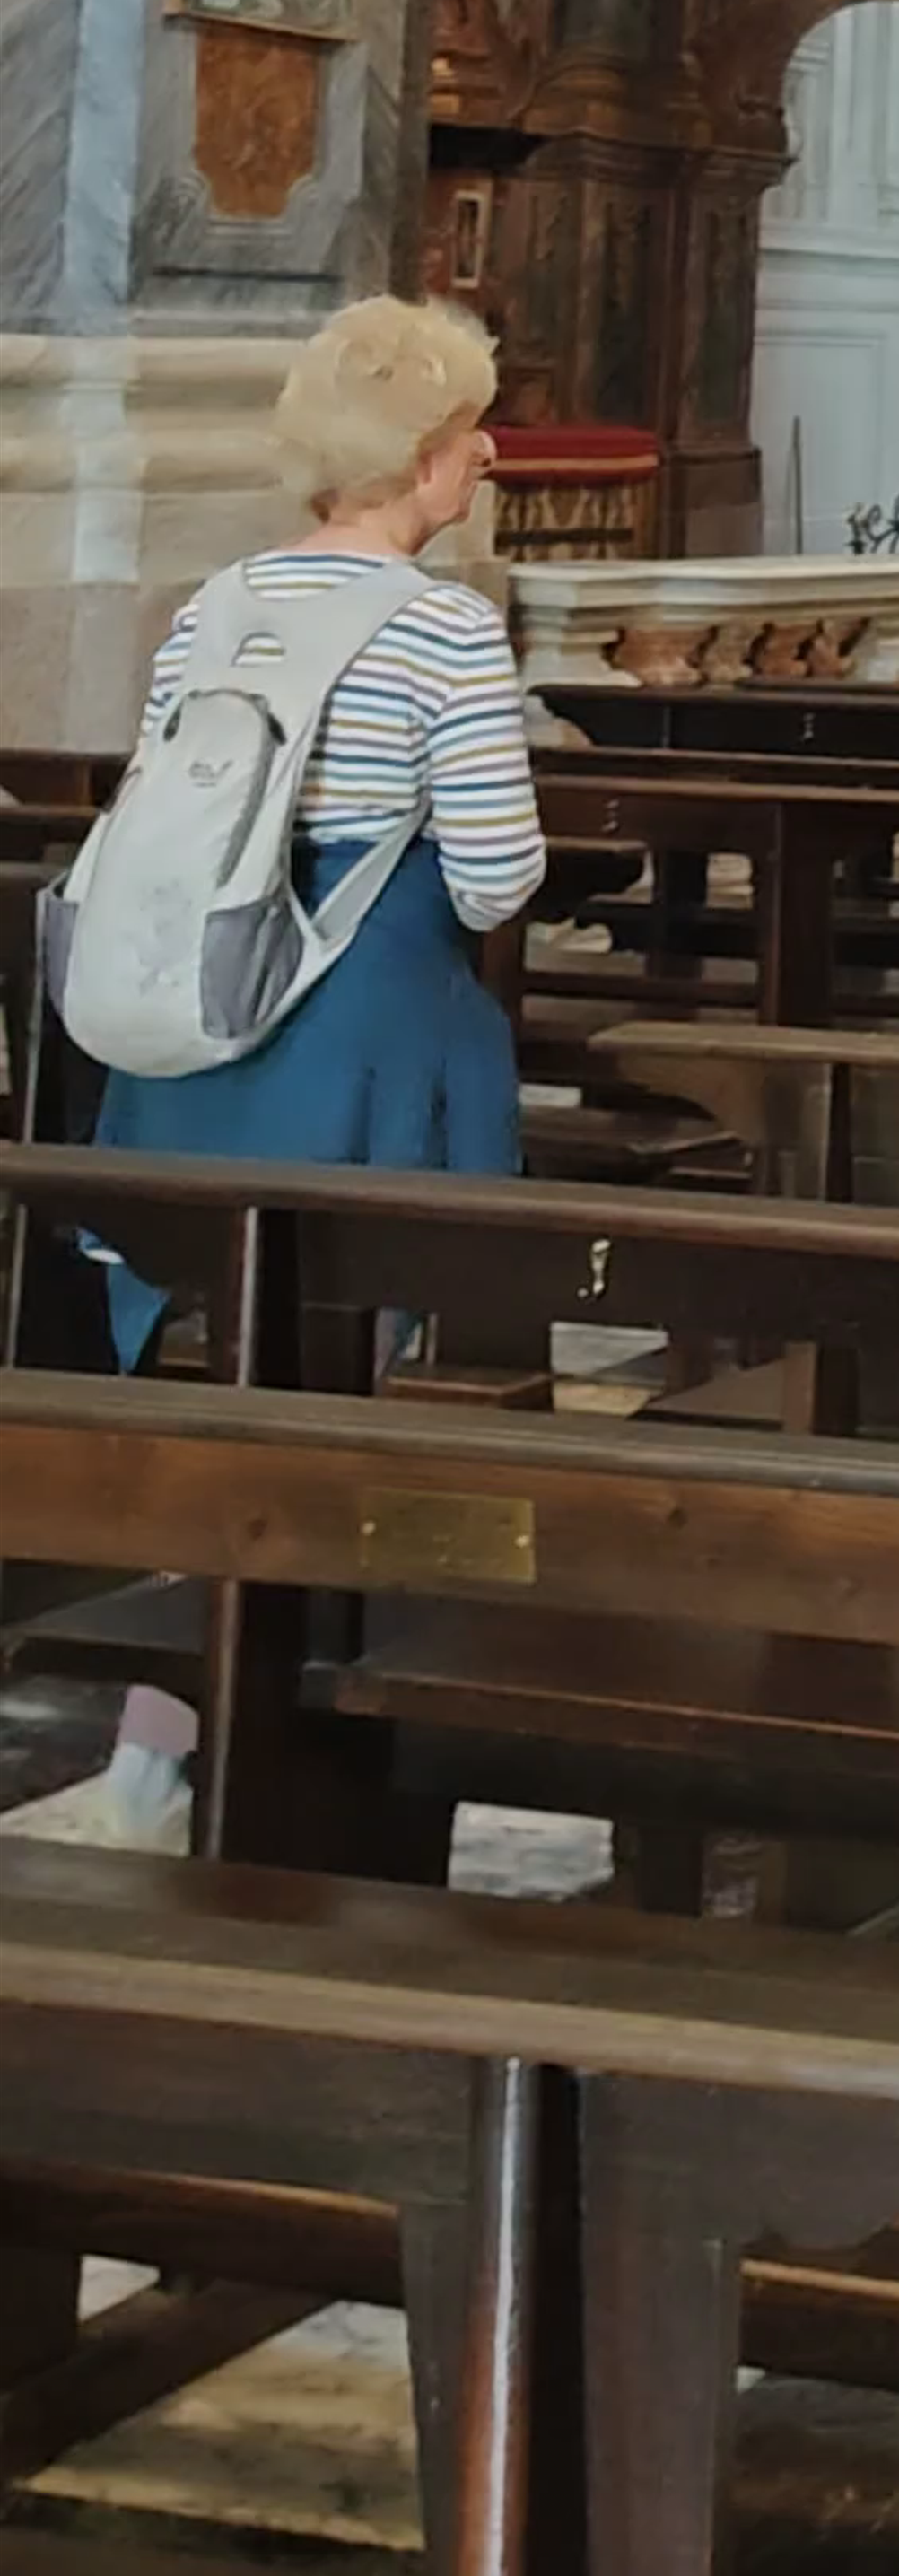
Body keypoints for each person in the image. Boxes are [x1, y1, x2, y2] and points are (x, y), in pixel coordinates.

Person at [22, 295, 541, 1849]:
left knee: (221, 1396)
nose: (489, 456)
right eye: (471, 433)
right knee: (360, 1397)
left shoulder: (217, 602)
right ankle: (335, 1722)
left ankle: (164, 1736)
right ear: (423, 454)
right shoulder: (444, 626)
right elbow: (498, 874)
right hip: (359, 1042)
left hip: (201, 1038)